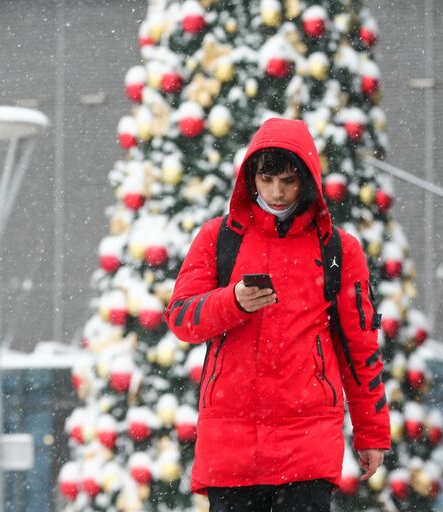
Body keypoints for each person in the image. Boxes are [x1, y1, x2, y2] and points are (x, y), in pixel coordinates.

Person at [164, 118, 390, 512]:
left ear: (307, 180)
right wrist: (231, 302)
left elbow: (360, 347)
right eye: (267, 180)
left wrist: (371, 433)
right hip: (231, 443)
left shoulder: (338, 249)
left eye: (288, 180)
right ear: (251, 179)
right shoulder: (218, 238)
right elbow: (182, 317)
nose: (277, 192)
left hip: (308, 440)